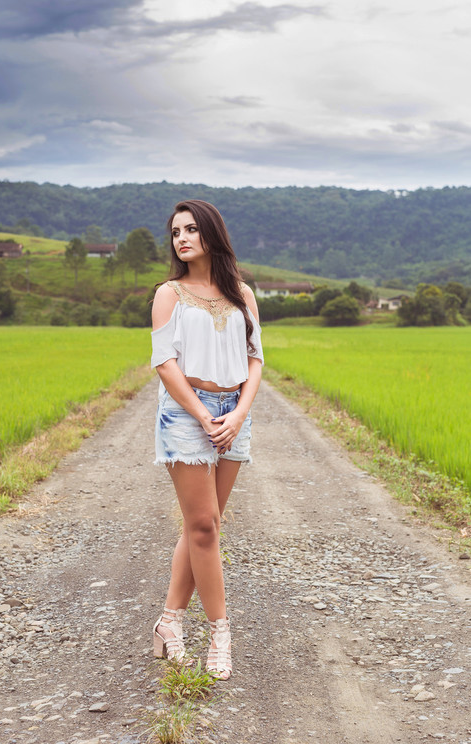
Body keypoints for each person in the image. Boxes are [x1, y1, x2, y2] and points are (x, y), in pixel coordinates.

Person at [150, 199, 264, 680]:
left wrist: (238, 413)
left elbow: (256, 358)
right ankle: (220, 633)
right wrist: (202, 414)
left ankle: (168, 624)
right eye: (176, 231)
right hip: (185, 413)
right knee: (203, 527)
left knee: (207, 524)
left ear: (212, 233)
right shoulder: (169, 293)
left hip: (233, 414)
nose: (182, 238)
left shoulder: (241, 293)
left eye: (192, 229)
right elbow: (164, 362)